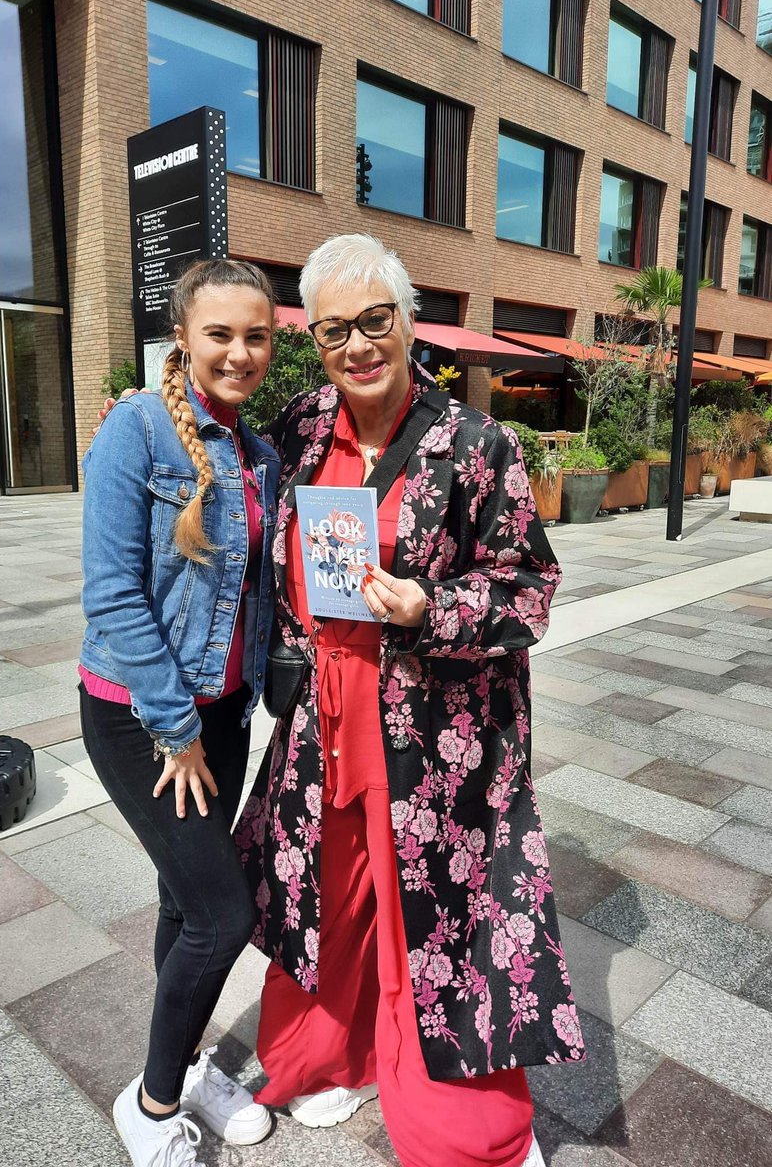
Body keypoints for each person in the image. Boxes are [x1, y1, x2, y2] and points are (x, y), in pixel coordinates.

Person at [234, 234, 583, 1167]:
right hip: (326, 722)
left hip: (439, 735)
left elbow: (528, 590)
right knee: (332, 899)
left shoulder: (479, 444)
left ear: (406, 316)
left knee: (435, 910)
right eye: (335, 329)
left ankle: (459, 1119)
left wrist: (435, 607)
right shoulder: (305, 427)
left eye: (375, 320)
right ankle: (328, 1057)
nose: (358, 346)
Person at [79, 258, 281, 1167]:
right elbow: (113, 594)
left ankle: (189, 1063)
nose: (240, 353)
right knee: (221, 915)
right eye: (221, 334)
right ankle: (153, 1104)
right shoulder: (138, 427)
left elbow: (256, 592)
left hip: (228, 714)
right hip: (144, 719)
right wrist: (176, 725)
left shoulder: (261, 452)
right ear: (183, 336)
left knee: (182, 899)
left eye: (258, 335)